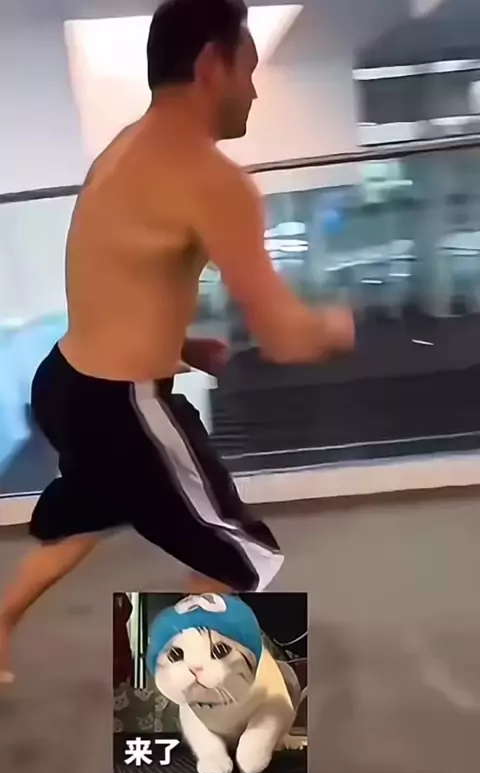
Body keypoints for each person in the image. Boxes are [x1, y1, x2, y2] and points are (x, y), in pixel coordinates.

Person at [0, 0, 355, 681]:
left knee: (95, 506)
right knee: (238, 556)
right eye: (248, 71)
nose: (254, 91)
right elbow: (285, 337)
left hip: (68, 380)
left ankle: (0, 623)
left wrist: (183, 345)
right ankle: (189, 719)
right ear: (211, 65)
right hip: (121, 404)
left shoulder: (123, 149)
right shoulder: (212, 180)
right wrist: (337, 327)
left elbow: (110, 276)